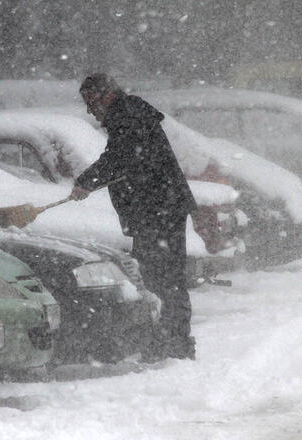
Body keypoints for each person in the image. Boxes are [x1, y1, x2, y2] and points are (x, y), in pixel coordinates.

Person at [70, 73, 197, 360]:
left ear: (107, 95)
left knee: (159, 278)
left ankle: (171, 343)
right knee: (164, 277)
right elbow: (125, 160)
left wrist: (86, 182)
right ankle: (171, 341)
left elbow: (118, 160)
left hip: (157, 211)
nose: (90, 110)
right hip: (160, 208)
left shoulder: (127, 117)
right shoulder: (130, 114)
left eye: (91, 102)